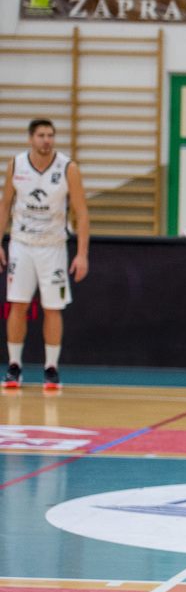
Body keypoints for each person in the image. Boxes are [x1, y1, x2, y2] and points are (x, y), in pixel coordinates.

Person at [0, 118, 89, 390]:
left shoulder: (68, 168)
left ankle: (51, 368)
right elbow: (4, 205)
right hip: (21, 243)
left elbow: (82, 212)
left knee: (53, 308)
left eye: (50, 135)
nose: (46, 140)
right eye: (41, 135)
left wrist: (82, 254)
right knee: (18, 305)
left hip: (53, 246)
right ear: (30, 138)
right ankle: (14, 366)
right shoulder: (16, 165)